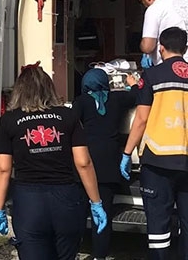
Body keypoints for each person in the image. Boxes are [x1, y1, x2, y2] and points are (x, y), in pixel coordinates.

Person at [0, 62, 107, 260]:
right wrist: (96, 202)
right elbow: (83, 163)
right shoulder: (67, 116)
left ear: (19, 90)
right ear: (49, 88)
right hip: (65, 199)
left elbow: (3, 169)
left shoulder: (9, 120)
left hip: (29, 201)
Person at [121, 27, 188, 259]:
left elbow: (141, 119)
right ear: (185, 49)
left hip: (158, 160)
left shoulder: (152, 76)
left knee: (159, 227)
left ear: (160, 48)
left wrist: (127, 152)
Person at [73, 68, 138, 260]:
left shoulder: (81, 102)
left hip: (86, 162)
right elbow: (136, 95)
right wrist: (132, 83)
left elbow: (70, 123)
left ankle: (73, 252)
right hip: (109, 163)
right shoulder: (117, 99)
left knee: (78, 212)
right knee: (102, 216)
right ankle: (99, 256)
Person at [136, 0, 188, 67]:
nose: (143, 5)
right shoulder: (185, 2)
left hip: (171, 67)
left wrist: (144, 49)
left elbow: (148, 46)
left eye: (141, 1)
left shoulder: (154, 8)